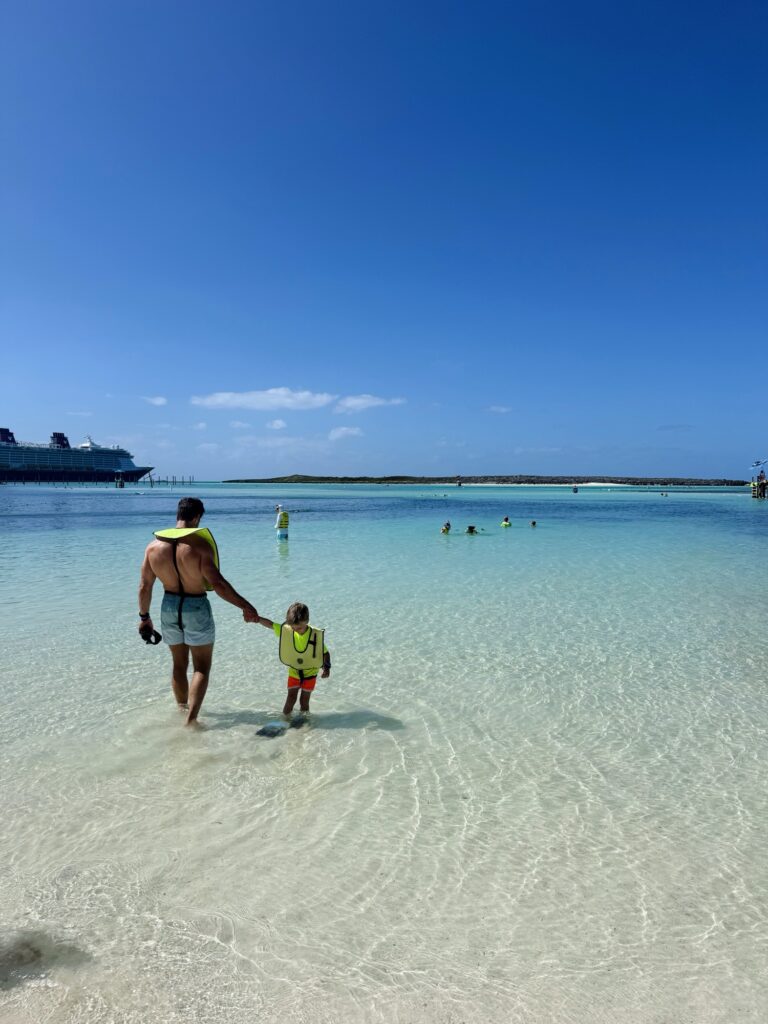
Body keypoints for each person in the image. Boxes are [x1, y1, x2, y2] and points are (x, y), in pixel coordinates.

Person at [138, 496, 259, 726]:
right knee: (201, 667)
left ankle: (181, 710)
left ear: (178, 515)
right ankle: (191, 720)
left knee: (178, 664)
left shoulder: (152, 547)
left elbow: (145, 586)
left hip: (169, 606)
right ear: (197, 517)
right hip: (195, 606)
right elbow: (218, 585)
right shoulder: (200, 546)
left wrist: (144, 617)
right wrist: (245, 605)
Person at [253, 602, 331, 720]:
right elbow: (271, 624)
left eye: (299, 627)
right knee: (290, 698)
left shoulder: (314, 636)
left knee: (304, 701)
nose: (296, 630)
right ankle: (285, 720)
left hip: (311, 674)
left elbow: (325, 653)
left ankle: (304, 721)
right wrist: (257, 619)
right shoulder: (288, 631)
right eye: (293, 628)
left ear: (307, 621)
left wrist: (327, 667)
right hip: (294, 672)